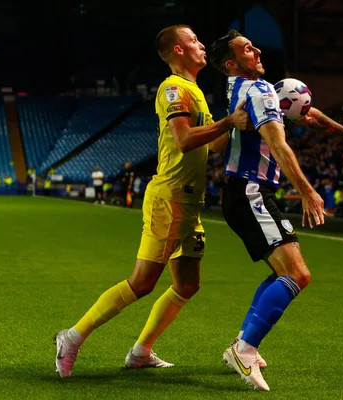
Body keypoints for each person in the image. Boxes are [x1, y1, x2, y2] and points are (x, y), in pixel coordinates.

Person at [54, 24, 251, 378]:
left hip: (189, 204)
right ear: (177, 50)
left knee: (188, 284)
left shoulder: (195, 90)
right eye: (193, 40)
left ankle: (141, 352)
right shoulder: (174, 88)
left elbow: (212, 145)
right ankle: (71, 337)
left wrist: (238, 123)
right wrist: (227, 121)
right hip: (171, 198)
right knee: (142, 282)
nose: (202, 44)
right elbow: (185, 140)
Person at [209, 30, 343, 391]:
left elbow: (304, 111)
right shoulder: (259, 91)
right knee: (297, 275)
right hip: (251, 192)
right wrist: (308, 191)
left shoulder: (244, 89)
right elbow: (279, 144)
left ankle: (242, 344)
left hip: (249, 194)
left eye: (252, 44)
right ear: (231, 63)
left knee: (284, 272)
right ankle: (245, 348)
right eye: (245, 48)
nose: (254, 49)